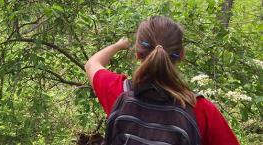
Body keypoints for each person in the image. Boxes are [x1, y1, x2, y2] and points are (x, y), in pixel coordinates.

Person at [84, 16, 240, 145]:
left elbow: (92, 64)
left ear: (138, 54)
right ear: (181, 55)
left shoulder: (120, 92)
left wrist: (118, 45)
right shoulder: (200, 109)